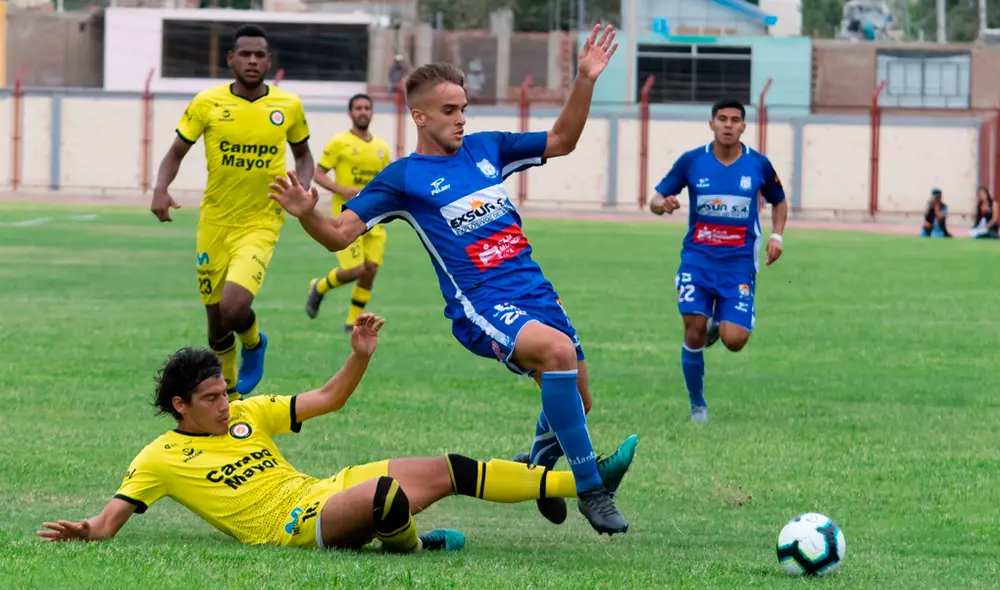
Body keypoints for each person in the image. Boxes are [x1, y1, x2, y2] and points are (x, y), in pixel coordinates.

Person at [265, 24, 632, 535]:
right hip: (481, 303)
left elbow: (563, 140)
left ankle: (538, 465)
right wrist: (306, 212)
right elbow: (338, 235)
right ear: (419, 116)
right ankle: (591, 487)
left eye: (463, 109)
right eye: (448, 111)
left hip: (536, 290)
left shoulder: (488, 149)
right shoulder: (404, 178)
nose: (461, 119)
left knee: (576, 396)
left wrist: (585, 79)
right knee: (558, 355)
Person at [35, 314, 639, 553]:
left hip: (321, 489)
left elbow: (328, 398)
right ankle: (414, 550)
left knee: (449, 468)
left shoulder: (249, 415)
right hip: (290, 527)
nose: (226, 403)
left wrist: (360, 354)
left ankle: (581, 482)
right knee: (383, 498)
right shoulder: (160, 457)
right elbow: (111, 520)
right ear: (180, 405)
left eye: (225, 392)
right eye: (213, 398)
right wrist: (83, 529)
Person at [149, 24, 315, 401]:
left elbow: (303, 154)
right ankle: (232, 394)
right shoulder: (207, 103)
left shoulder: (287, 106)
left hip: (261, 220)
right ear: (231, 59)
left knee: (234, 306)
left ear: (269, 61)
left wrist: (302, 188)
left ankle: (254, 342)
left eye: (259, 55)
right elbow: (176, 153)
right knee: (215, 321)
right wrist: (161, 187)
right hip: (215, 222)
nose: (252, 61)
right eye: (245, 54)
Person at [649, 99, 788, 423]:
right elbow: (655, 199)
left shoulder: (758, 165)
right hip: (697, 260)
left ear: (743, 126)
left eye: (735, 120)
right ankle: (698, 405)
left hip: (738, 264)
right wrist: (662, 204)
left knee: (735, 340)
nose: (728, 124)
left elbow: (779, 202)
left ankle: (719, 325)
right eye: (722, 119)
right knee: (693, 329)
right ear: (711, 124)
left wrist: (777, 236)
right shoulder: (692, 161)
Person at [305, 94, 392, 331]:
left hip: (374, 217)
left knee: (370, 269)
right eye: (358, 108)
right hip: (346, 217)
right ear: (350, 113)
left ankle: (352, 321)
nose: (363, 112)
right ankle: (320, 286)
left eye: (367, 108)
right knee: (355, 269)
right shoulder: (339, 143)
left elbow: (387, 181)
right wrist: (341, 189)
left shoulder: (381, 148)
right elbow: (318, 173)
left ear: (372, 112)